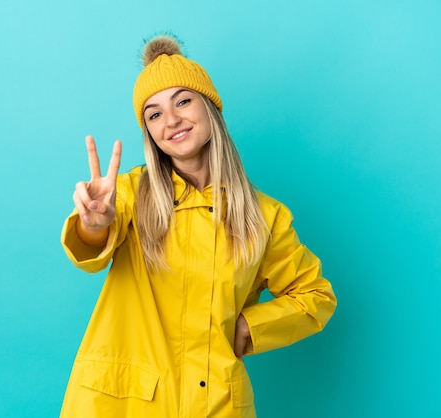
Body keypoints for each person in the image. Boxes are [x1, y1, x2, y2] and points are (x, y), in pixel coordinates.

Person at [59, 34, 337, 418]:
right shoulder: (127, 194)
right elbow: (92, 247)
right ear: (150, 134)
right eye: (154, 114)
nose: (171, 120)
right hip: (121, 404)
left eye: (183, 101)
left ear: (210, 108)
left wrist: (251, 327)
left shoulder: (266, 216)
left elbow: (315, 296)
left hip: (217, 404)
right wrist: (94, 223)